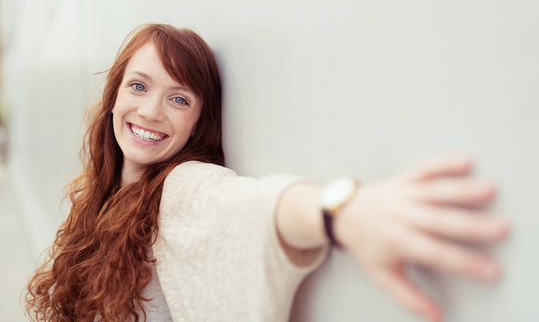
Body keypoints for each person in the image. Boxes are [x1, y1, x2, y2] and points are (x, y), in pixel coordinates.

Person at [26, 23, 509, 322]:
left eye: (179, 99)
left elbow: (253, 206)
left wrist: (340, 211)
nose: (151, 111)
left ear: (198, 123)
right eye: (139, 86)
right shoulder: (101, 198)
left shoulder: (180, 187)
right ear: (113, 99)